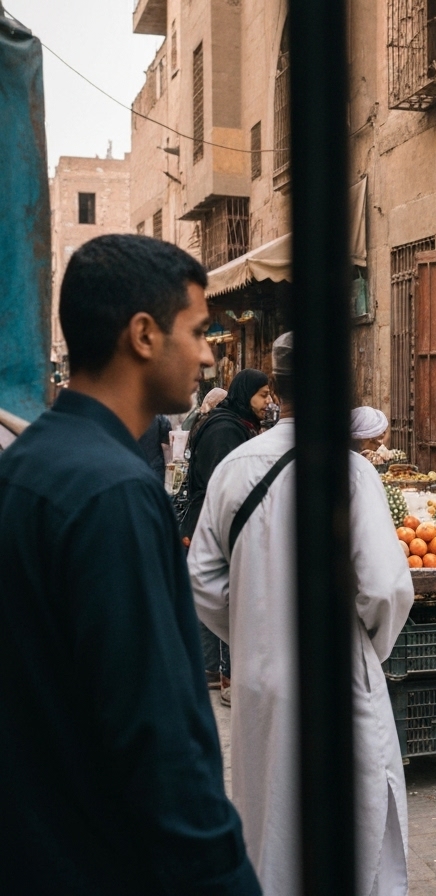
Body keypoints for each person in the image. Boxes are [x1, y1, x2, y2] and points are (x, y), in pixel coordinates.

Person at [0, 234, 260, 893]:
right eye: (197, 331)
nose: (208, 354)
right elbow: (160, 736)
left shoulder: (30, 463)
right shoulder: (113, 492)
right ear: (144, 334)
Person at [188, 332, 414, 896]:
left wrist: (255, 628)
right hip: (339, 678)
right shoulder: (350, 471)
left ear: (276, 388)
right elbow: (385, 587)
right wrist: (366, 647)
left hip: (258, 681)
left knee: (271, 824)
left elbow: (202, 579)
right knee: (353, 827)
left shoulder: (234, 467)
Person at [182, 367, 272, 703]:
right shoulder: (225, 429)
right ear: (246, 394)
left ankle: (219, 671)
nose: (268, 402)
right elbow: (225, 486)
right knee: (221, 593)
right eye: (263, 395)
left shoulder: (237, 424)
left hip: (214, 522)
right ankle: (219, 673)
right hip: (209, 523)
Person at [137, 412, 172, 479]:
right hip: (155, 468)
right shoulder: (160, 418)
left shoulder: (129, 419)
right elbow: (166, 447)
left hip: (135, 466)